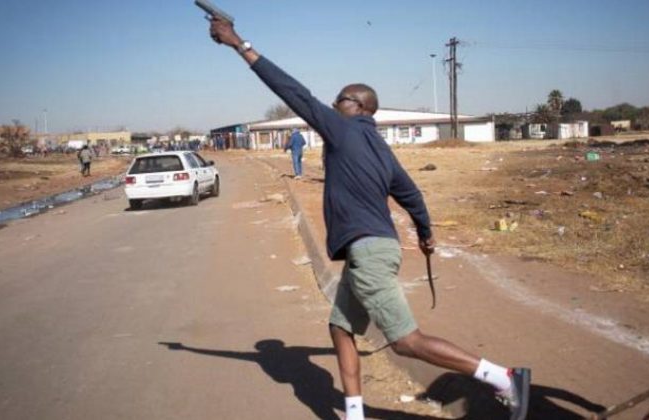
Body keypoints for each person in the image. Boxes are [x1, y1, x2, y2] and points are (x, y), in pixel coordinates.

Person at [208, 17, 531, 420]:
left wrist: (238, 43)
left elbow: (292, 91)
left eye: (340, 99)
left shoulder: (342, 130)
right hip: (373, 248)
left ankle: (504, 377)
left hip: (368, 251)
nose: (333, 104)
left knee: (406, 341)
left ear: (359, 106)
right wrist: (426, 234)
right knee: (340, 328)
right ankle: (355, 414)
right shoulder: (381, 148)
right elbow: (411, 195)